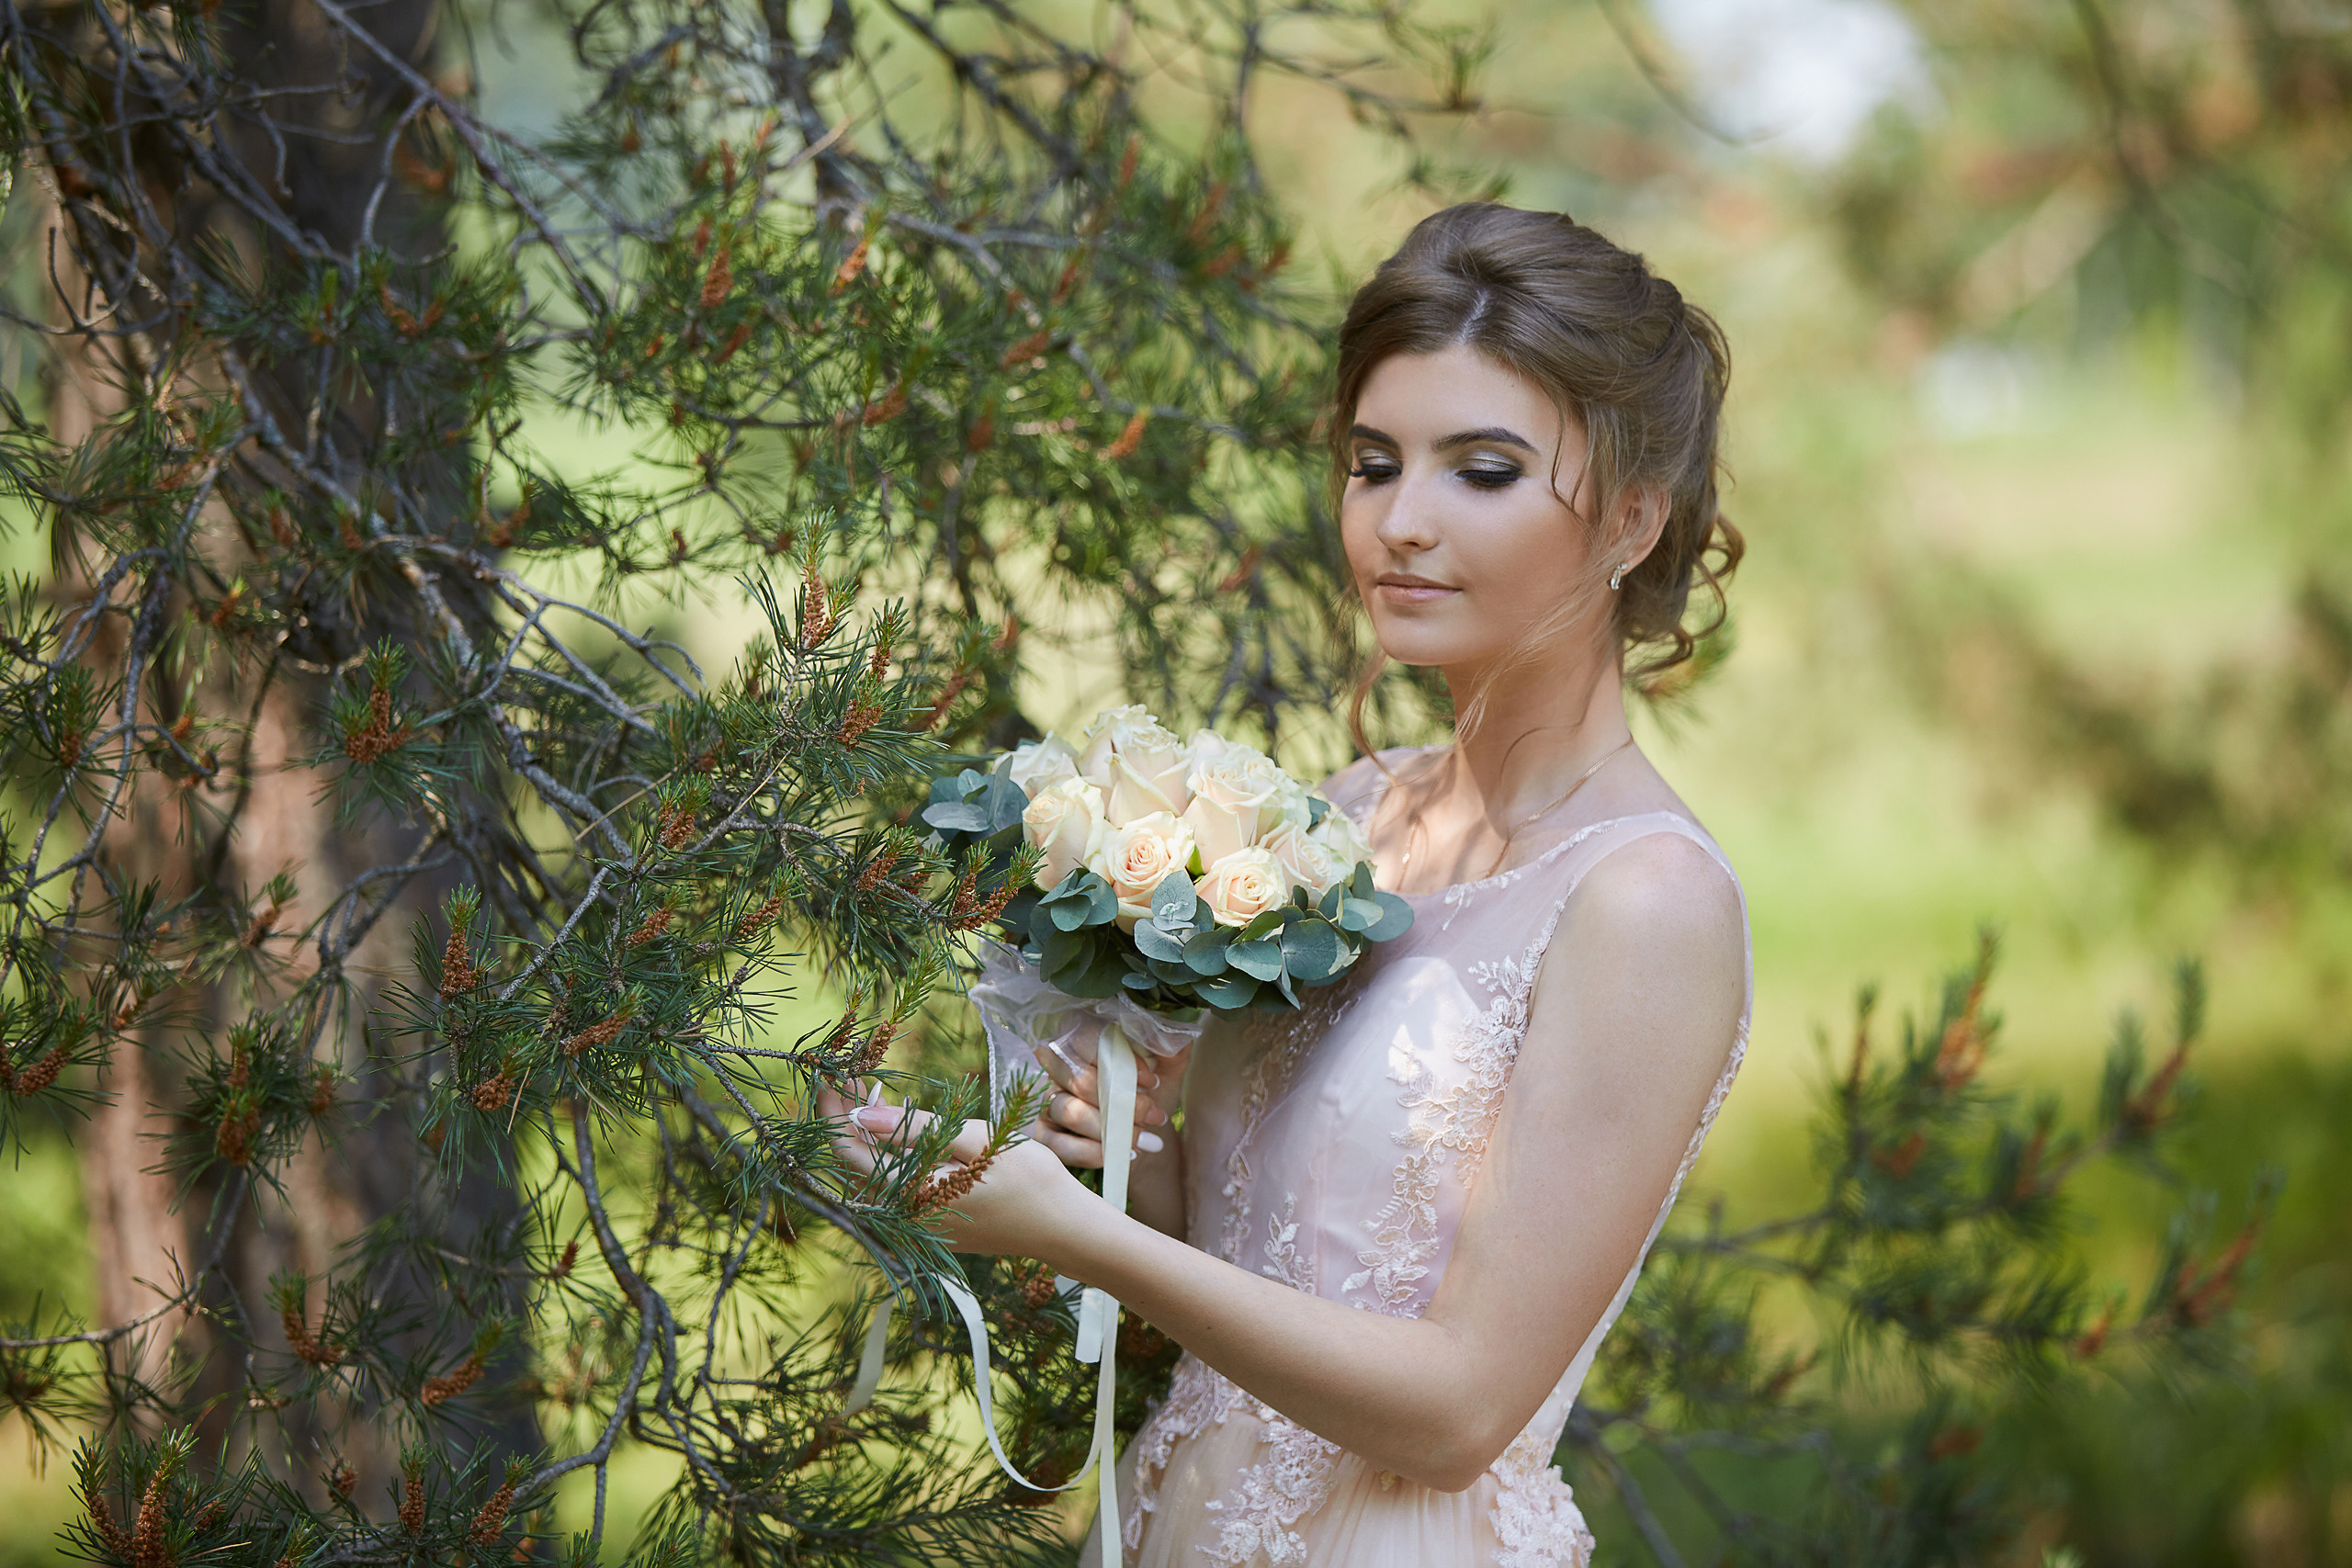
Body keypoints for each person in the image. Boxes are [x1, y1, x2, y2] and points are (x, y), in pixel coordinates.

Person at [820, 201, 1752, 1567]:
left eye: (1482, 471)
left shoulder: (1649, 904)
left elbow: (1460, 1411)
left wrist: (1078, 1240)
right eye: (1375, 465)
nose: (1401, 523)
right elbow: (1237, 1251)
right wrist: (1107, 1124)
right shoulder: (1357, 820)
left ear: (1628, 519)